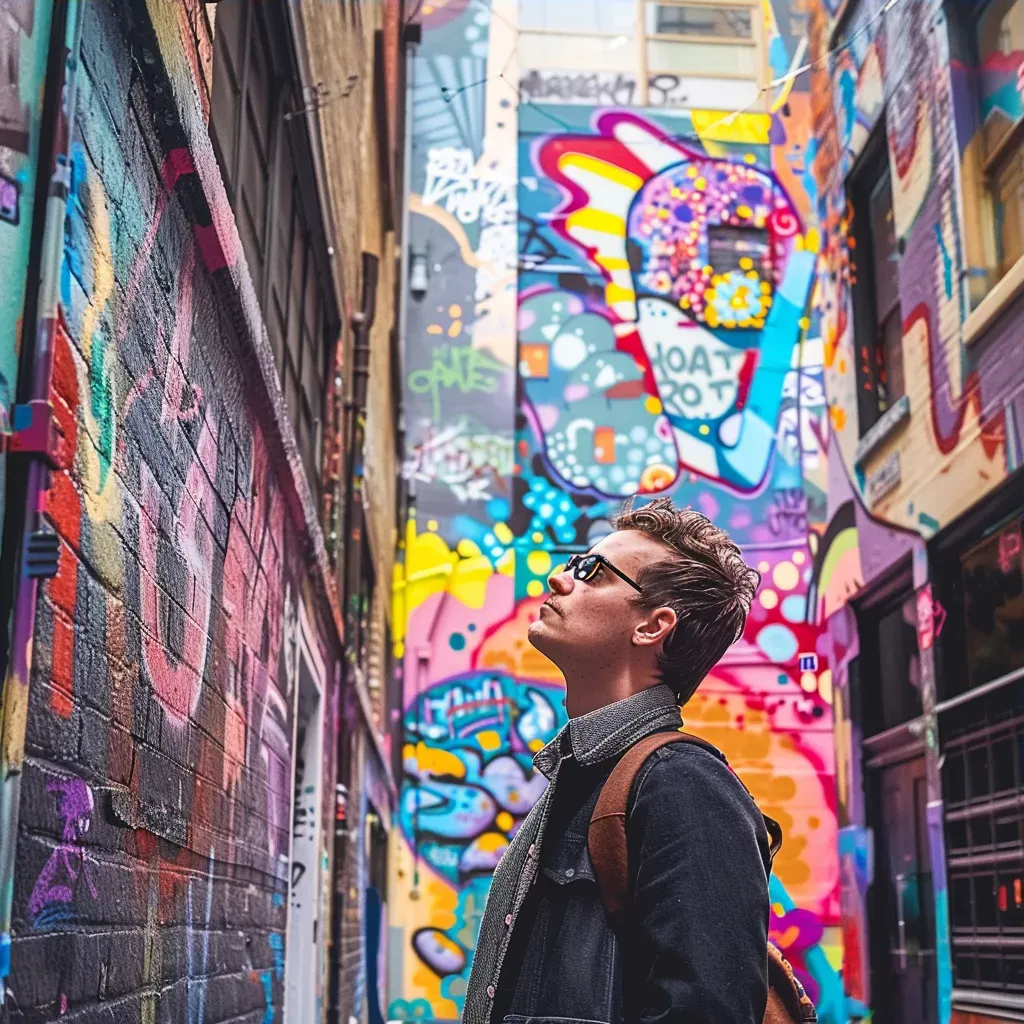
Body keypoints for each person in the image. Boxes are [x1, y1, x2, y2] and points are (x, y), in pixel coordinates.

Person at [462, 497, 771, 1024]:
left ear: (653, 626)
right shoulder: (582, 777)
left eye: (593, 573)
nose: (561, 580)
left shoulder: (683, 786)